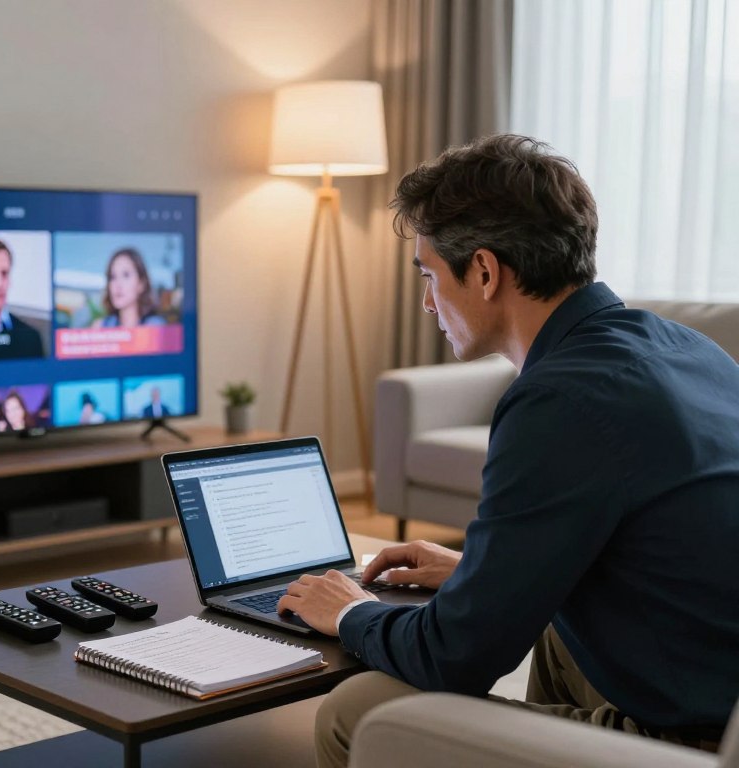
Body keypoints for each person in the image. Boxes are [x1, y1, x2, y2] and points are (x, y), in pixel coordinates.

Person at [275, 134, 739, 765]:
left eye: (430, 275)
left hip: (697, 741)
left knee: (356, 711)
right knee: (552, 629)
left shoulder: (559, 402)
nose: (426, 301)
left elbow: (451, 660)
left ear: (486, 272)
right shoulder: (683, 348)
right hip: (710, 678)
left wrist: (351, 613)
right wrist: (480, 572)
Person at [95, 248, 166, 328]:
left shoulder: (155, 327)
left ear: (141, 284)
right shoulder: (103, 326)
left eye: (126, 275)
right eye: (113, 277)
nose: (118, 284)